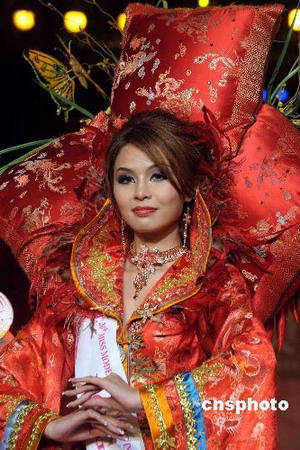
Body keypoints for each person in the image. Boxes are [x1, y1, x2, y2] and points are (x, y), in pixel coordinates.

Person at [0, 110, 277, 449]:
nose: (140, 193)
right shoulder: (79, 282)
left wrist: (148, 401)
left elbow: (252, 367)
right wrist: (47, 426)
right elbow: (12, 370)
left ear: (190, 187)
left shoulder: (212, 282)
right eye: (126, 179)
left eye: (158, 175)